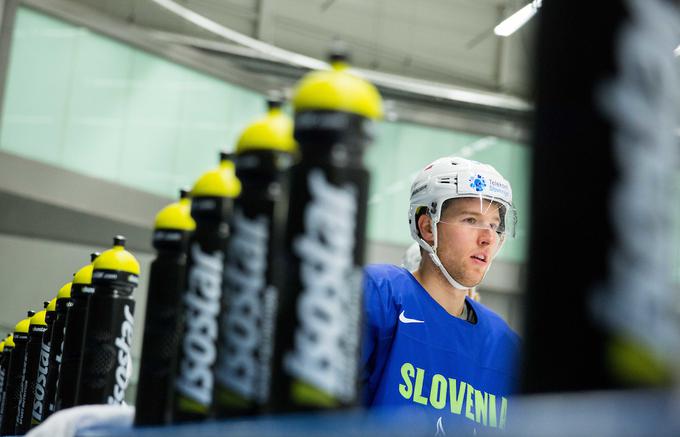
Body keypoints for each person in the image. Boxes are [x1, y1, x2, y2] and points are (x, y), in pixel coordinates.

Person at [362, 156, 521, 433]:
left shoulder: (506, 345)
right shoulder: (380, 295)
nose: (487, 238)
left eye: (494, 226)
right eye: (471, 220)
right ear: (427, 227)